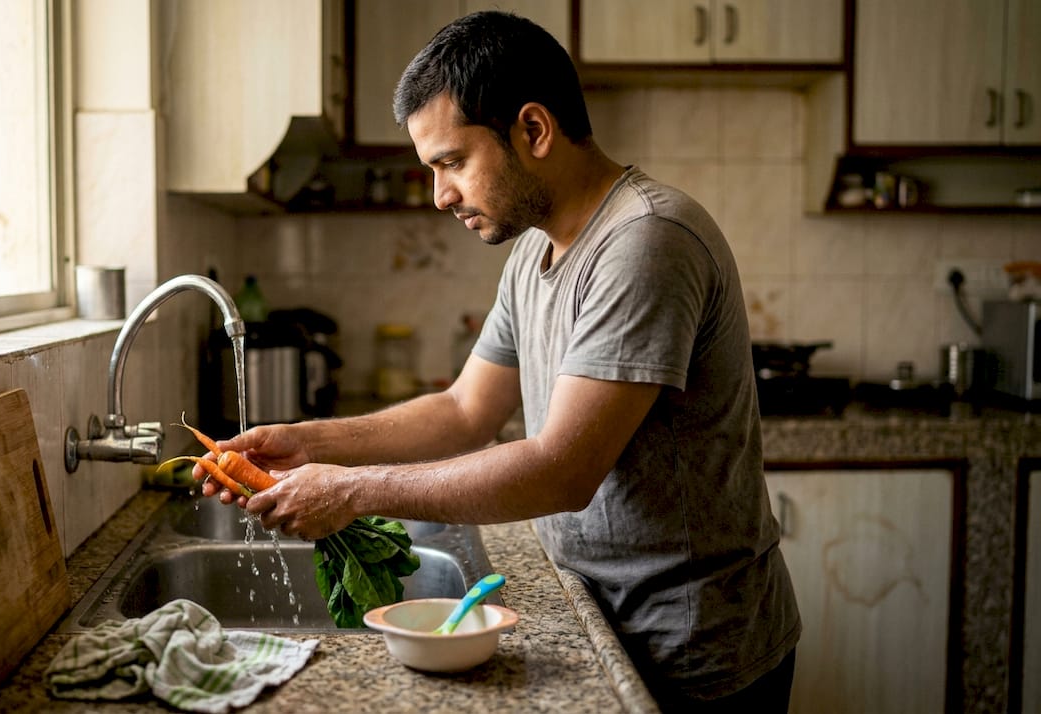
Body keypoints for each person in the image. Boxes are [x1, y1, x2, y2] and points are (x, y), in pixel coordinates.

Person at [197, 11, 799, 712]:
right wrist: (308, 443)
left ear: (534, 131)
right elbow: (464, 411)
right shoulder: (532, 254)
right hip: (606, 618)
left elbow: (561, 470)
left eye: (452, 162)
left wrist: (352, 491)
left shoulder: (646, 242)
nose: (440, 195)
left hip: (694, 654)